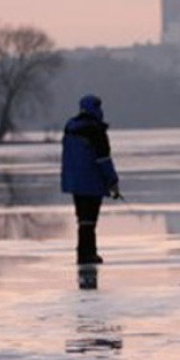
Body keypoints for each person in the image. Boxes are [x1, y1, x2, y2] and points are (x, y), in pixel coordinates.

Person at [61, 94, 120, 264]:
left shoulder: (70, 127)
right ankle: (88, 254)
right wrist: (113, 181)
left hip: (74, 181)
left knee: (83, 219)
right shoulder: (96, 130)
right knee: (90, 220)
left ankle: (84, 253)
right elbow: (103, 159)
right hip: (92, 182)